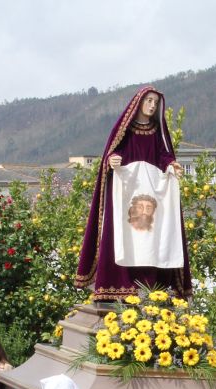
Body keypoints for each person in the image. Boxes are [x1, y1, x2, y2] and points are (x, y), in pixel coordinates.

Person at [75, 86, 192, 301]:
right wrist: (112, 160)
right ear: (138, 102)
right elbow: (112, 154)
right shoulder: (123, 130)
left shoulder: (157, 131)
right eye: (148, 101)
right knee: (122, 234)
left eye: (155, 103)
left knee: (152, 235)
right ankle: (119, 285)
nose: (152, 106)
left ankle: (152, 287)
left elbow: (163, 155)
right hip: (126, 193)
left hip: (151, 195)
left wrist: (171, 165)